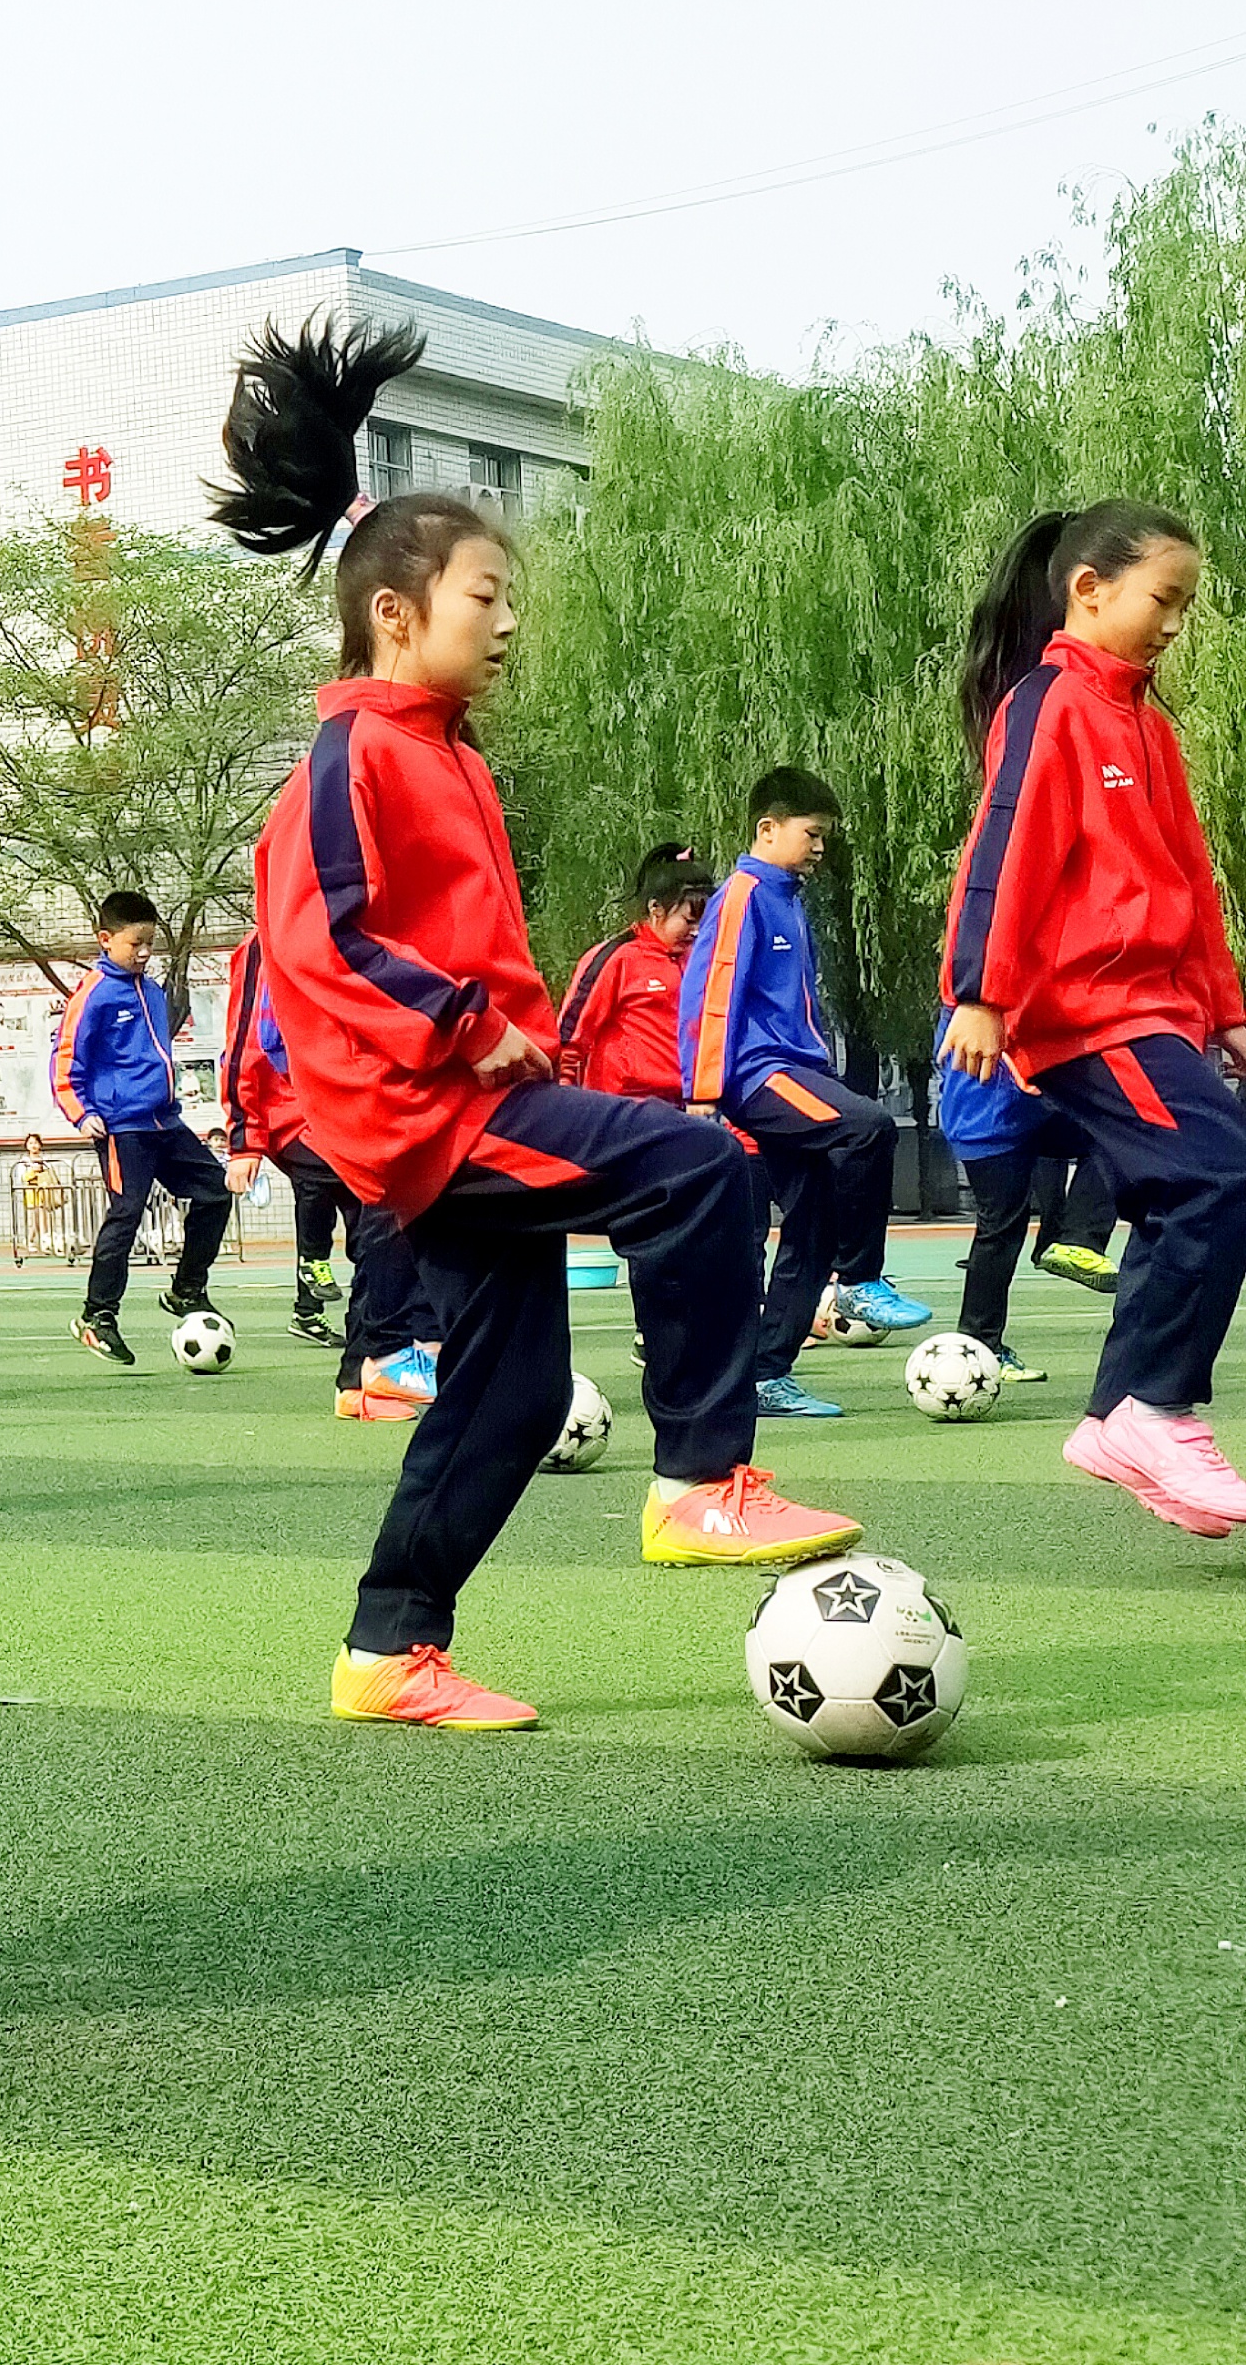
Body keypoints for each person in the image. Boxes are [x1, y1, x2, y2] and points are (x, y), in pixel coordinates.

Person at [215, 320, 853, 1734]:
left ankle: (385, 1651)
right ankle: (698, 1480)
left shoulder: (442, 755)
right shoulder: (350, 756)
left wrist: (493, 1021)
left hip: (452, 1108)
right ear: (397, 611)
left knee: (504, 1399)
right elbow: (324, 938)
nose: (504, 622)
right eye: (483, 595)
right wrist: (459, 1020)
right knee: (699, 1167)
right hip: (421, 1116)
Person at [942, 500, 1246, 1534]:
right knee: (1216, 1170)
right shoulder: (1048, 703)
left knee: (1180, 1192)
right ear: (1088, 589)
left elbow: (1187, 882)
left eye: (1182, 605)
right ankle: (1154, 1406)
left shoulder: (1145, 726)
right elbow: (1002, 844)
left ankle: (1117, 1413)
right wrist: (978, 989)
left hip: (1154, 1008)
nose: (1171, 621)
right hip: (1082, 1010)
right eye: (1161, 598)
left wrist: (1225, 1007)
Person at [681, 768, 936, 1417]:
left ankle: (767, 1373)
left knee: (811, 1222)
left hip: (795, 1070)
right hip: (756, 1073)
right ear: (767, 828)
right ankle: (857, 1281)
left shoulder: (789, 896)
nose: (820, 846)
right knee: (869, 1126)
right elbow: (711, 995)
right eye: (811, 833)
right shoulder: (742, 893)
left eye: (823, 835)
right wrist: (702, 1092)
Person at [221, 942, 436, 1414]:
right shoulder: (265, 947)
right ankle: (379, 1349)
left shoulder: (351, 935)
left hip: (350, 1119)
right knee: (385, 1222)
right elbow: (242, 1044)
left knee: (380, 1238)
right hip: (299, 1120)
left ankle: (358, 1384)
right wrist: (243, 1141)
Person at [60, 891, 230, 1364]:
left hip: (164, 1123)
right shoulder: (92, 993)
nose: (144, 952)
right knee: (127, 1214)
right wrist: (81, 1111)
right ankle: (97, 1315)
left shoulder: (152, 991)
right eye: (136, 943)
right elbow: (66, 1059)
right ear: (106, 939)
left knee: (216, 1191)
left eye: (150, 943)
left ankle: (187, 1289)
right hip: (121, 1127)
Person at [934, 1005, 1110, 1387]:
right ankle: (980, 1345)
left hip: (1025, 1113)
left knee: (1115, 1134)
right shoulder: (975, 997)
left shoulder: (1004, 987)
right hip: (987, 1124)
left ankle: (1077, 1240)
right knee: (1001, 1229)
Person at [555, 844, 713, 1102]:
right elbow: (569, 1039)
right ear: (656, 909)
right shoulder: (617, 958)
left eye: (703, 923)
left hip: (688, 1106)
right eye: (688, 921)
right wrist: (564, 1101)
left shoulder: (699, 960)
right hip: (626, 1106)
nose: (696, 931)